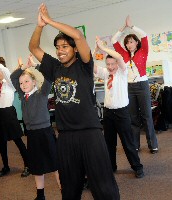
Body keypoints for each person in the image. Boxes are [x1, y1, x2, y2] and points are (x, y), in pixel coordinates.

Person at [29, 4, 120, 200]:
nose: (60, 51)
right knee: (69, 187)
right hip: (66, 136)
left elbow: (78, 35)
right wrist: (40, 26)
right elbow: (33, 48)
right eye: (57, 47)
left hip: (90, 134)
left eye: (64, 47)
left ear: (74, 50)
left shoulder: (85, 65)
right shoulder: (54, 67)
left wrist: (50, 20)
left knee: (102, 185)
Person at [10, 55, 60, 200]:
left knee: (55, 165)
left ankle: (65, 192)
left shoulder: (42, 93)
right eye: (21, 83)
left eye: (26, 81)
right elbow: (14, 77)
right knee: (37, 167)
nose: (23, 85)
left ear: (34, 82)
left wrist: (35, 66)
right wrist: (23, 68)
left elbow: (49, 78)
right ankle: (40, 195)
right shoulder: (21, 95)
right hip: (31, 134)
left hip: (45, 133)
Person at [93, 37, 144, 178]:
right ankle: (111, 166)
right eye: (108, 64)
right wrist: (95, 50)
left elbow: (120, 57)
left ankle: (137, 167)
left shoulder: (122, 72)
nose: (110, 66)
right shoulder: (105, 73)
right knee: (109, 143)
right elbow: (89, 64)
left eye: (112, 64)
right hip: (108, 113)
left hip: (122, 113)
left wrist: (103, 48)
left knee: (128, 143)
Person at [111, 16, 158, 154]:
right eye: (127, 43)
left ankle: (153, 145)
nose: (129, 45)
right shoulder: (124, 55)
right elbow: (114, 41)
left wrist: (131, 27)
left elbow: (144, 35)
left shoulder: (143, 51)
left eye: (131, 42)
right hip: (129, 88)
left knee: (147, 116)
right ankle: (135, 145)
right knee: (133, 118)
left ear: (136, 43)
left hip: (142, 85)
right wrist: (122, 28)